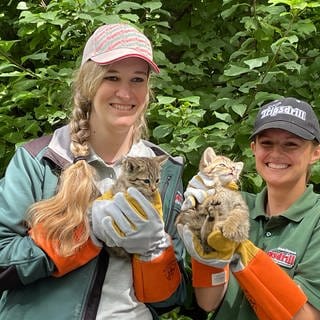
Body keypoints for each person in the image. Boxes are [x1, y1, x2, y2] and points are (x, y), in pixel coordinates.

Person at [0, 23, 187, 320]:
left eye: (137, 79)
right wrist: (85, 233)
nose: (125, 92)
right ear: (89, 82)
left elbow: (175, 298)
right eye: (111, 77)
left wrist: (155, 253)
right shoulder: (40, 160)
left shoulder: (164, 171)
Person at [177, 97, 320, 320]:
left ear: (315, 153)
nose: (276, 154)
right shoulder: (234, 201)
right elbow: (208, 302)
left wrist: (242, 252)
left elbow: (305, 317)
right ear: (253, 149)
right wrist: (207, 258)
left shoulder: (316, 219)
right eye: (266, 143)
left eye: (291, 144)